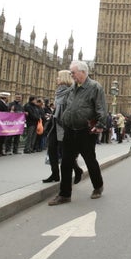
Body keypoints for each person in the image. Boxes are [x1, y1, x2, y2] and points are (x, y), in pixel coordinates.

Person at [48, 60, 107, 205]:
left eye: (73, 72)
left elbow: (101, 108)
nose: (71, 75)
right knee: (66, 163)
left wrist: (100, 124)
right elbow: (68, 106)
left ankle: (98, 187)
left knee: (90, 160)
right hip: (70, 129)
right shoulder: (73, 88)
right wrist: (64, 120)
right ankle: (64, 194)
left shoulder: (95, 87)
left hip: (85, 130)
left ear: (83, 72)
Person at [43, 70, 81, 184]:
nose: (56, 79)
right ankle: (55, 174)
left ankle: (77, 170)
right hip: (55, 124)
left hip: (64, 126)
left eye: (58, 77)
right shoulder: (59, 92)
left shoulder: (71, 92)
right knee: (51, 149)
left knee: (65, 152)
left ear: (64, 78)